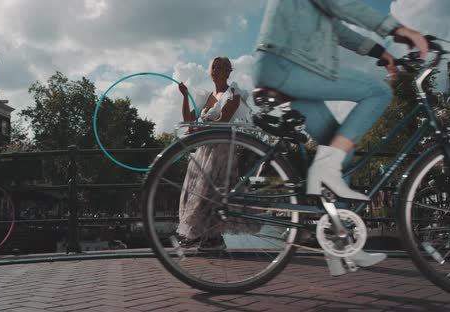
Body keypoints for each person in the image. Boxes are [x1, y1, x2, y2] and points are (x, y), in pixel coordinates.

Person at [251, 0, 428, 275]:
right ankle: (327, 171)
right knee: (378, 91)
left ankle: (340, 248)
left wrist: (381, 52)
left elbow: (337, 30)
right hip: (288, 64)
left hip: (281, 64)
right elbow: (343, 5)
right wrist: (400, 30)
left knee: (335, 146)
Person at [175, 56, 254, 250]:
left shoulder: (233, 93)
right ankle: (209, 238)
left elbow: (223, 120)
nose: (216, 70)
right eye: (213, 67)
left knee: (209, 193)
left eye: (221, 67)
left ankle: (206, 237)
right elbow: (188, 120)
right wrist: (185, 96)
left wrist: (199, 129)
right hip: (203, 149)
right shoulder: (205, 96)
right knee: (195, 191)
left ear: (228, 71)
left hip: (221, 149)